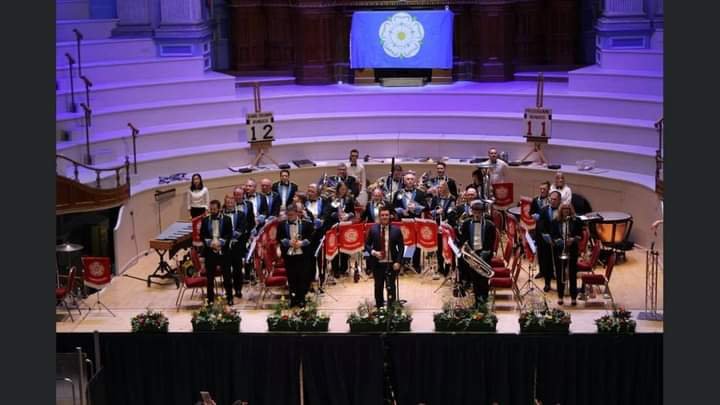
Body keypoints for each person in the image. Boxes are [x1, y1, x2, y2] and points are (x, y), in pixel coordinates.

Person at [457, 201, 497, 306]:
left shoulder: (490, 225)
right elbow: (463, 240)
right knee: (474, 280)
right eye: (475, 211)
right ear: (472, 211)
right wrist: (469, 253)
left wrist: (485, 253)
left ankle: (483, 301)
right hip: (471, 255)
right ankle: (477, 302)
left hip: (484, 255)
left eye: (479, 211)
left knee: (483, 280)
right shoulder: (466, 224)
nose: (477, 214)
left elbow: (491, 241)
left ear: (483, 212)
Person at [276, 204, 314, 307]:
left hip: (303, 255)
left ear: (297, 213)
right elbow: (279, 237)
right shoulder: (281, 224)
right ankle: (293, 299)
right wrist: (288, 243)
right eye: (288, 215)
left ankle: (301, 299)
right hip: (289, 256)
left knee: (302, 277)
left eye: (292, 215)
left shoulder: (307, 224)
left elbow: (311, 238)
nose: (290, 217)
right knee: (291, 278)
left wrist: (301, 243)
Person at [365, 207, 404, 308]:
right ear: (379, 216)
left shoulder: (396, 230)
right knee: (378, 286)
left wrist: (398, 262)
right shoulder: (373, 229)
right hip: (377, 263)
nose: (384, 217)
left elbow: (401, 247)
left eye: (386, 215)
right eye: (382, 215)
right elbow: (367, 245)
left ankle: (391, 309)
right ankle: (379, 308)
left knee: (391, 286)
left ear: (390, 216)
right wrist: (373, 252)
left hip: (391, 263)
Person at [547, 201, 583, 305]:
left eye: (568, 209)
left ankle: (573, 297)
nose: (566, 211)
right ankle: (560, 296)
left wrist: (572, 239)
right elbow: (553, 235)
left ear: (570, 210)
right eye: (564, 209)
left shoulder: (575, 221)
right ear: (560, 210)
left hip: (572, 250)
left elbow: (580, 235)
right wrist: (558, 240)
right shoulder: (555, 221)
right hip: (559, 250)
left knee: (572, 274)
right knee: (560, 274)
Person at [200, 200, 234, 305]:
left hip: (223, 252)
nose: (213, 211)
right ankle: (210, 300)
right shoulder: (205, 220)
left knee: (227, 277)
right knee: (210, 278)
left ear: (219, 209)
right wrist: (210, 243)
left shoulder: (227, 219)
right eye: (211, 209)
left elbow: (229, 234)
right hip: (210, 252)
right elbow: (202, 235)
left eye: (214, 209)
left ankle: (229, 298)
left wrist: (220, 243)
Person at [222, 195, 249, 298]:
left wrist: (236, 234)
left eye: (231, 202)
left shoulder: (241, 214)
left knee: (238, 270)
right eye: (228, 202)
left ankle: (238, 290)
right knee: (226, 272)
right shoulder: (221, 215)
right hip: (225, 247)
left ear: (234, 203)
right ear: (225, 203)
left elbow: (243, 227)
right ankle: (228, 292)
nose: (230, 204)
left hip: (237, 246)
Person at [536, 191, 562, 293]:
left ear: (559, 200)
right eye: (551, 199)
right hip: (546, 242)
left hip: (558, 242)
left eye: (555, 199)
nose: (552, 201)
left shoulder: (563, 210)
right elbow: (540, 225)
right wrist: (545, 235)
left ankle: (560, 285)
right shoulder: (543, 210)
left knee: (559, 264)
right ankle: (547, 284)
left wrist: (557, 239)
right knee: (547, 264)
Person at [430, 181, 456, 278]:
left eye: (441, 187)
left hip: (448, 227)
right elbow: (430, 211)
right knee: (439, 248)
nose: (439, 189)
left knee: (448, 248)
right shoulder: (435, 198)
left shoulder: (452, 198)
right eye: (438, 187)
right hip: (437, 227)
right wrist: (436, 211)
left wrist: (446, 219)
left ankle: (448, 268)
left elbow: (453, 212)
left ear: (445, 188)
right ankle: (440, 267)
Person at [530, 181, 551, 280]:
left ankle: (550, 272)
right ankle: (542, 271)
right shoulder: (535, 200)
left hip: (549, 230)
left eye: (544, 189)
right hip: (538, 230)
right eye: (541, 189)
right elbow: (531, 212)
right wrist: (533, 216)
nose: (542, 191)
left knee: (548, 253)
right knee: (541, 252)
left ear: (548, 190)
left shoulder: (551, 201)